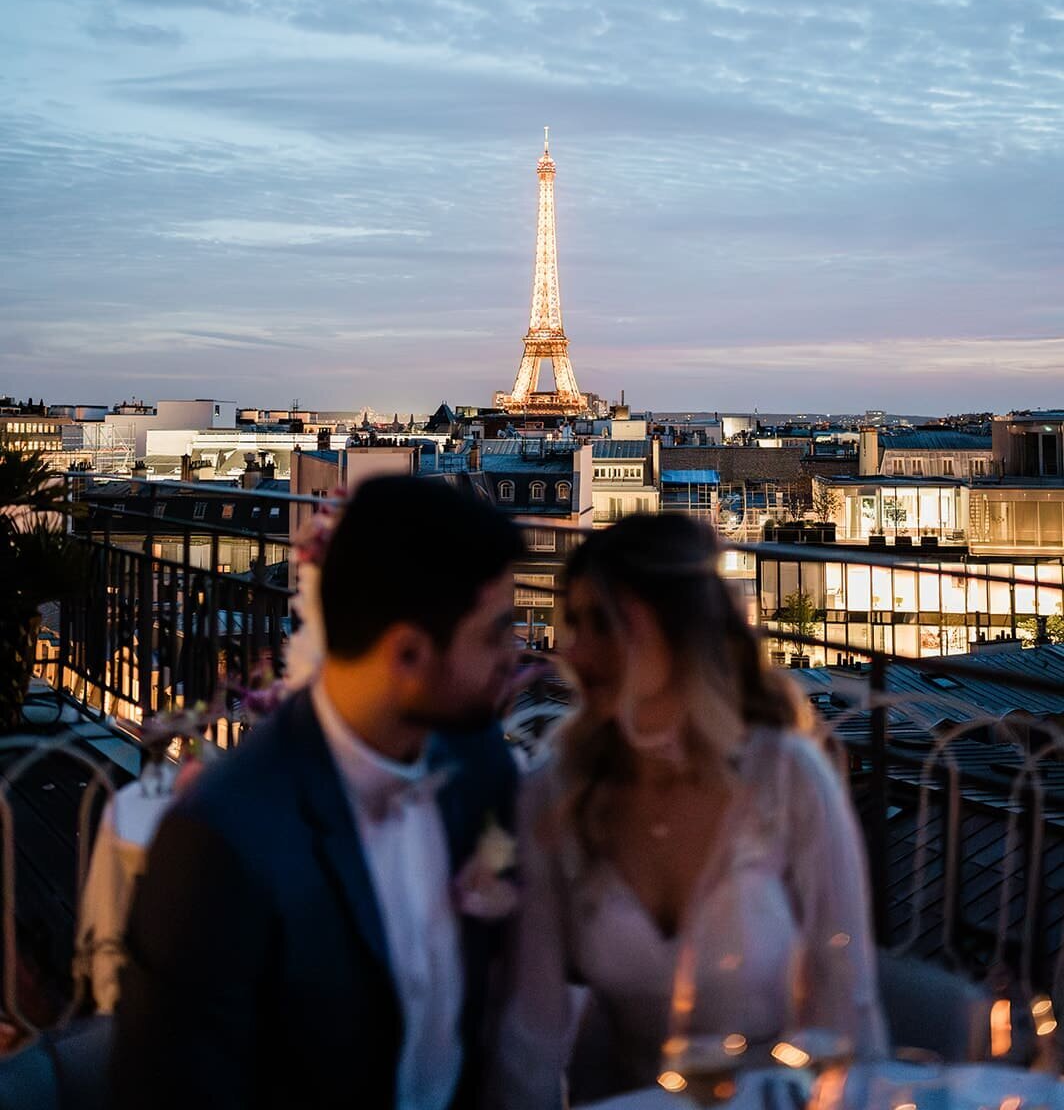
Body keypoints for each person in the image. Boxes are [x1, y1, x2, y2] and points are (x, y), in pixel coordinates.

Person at [112, 474, 525, 1110]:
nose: (516, 654)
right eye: (496, 633)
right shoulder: (220, 843)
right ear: (409, 654)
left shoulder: (479, 763)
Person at [493, 514, 885, 1108]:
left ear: (678, 631)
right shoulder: (556, 792)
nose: (572, 649)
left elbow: (846, 1005)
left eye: (602, 622)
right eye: (573, 623)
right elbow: (530, 1029)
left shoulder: (788, 778)